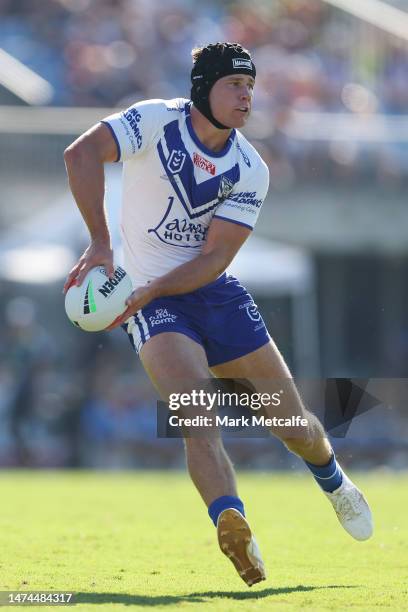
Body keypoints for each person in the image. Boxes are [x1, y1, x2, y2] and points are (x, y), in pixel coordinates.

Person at [63, 42, 373, 587]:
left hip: (215, 294)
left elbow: (213, 259)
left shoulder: (251, 168)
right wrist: (101, 244)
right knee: (195, 415)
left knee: (292, 424)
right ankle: (231, 521)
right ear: (203, 87)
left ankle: (335, 481)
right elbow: (80, 154)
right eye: (235, 84)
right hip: (154, 307)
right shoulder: (154, 121)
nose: (246, 95)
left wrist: (150, 286)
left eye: (251, 86)